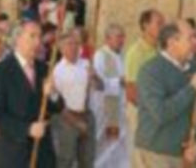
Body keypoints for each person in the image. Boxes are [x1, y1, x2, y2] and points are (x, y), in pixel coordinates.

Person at [0, 21, 64, 168]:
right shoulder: (1, 71)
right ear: (18, 39)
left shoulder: (44, 68)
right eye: (32, 36)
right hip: (14, 154)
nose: (37, 42)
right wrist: (27, 129)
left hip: (42, 153)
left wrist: (53, 93)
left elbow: (58, 107)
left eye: (39, 37)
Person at [134, 20, 196, 167]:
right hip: (157, 154)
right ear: (172, 42)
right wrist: (192, 87)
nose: (195, 43)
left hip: (188, 156)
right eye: (190, 37)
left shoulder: (192, 68)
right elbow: (161, 113)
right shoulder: (151, 71)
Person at [52, 33, 102, 168]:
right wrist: (77, 123)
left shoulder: (86, 64)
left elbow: (100, 87)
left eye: (76, 44)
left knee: (87, 160)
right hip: (68, 118)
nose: (74, 47)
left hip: (87, 115)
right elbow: (56, 104)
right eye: (69, 44)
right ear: (61, 48)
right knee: (66, 160)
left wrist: (95, 77)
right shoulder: (57, 71)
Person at [124, 9, 164, 168]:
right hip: (142, 112)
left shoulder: (159, 51)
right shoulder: (136, 53)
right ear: (145, 25)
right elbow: (131, 89)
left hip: (156, 111)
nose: (162, 27)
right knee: (141, 158)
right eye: (158, 23)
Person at [90, 24, 128, 168]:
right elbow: (98, 83)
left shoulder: (123, 55)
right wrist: (119, 81)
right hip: (105, 109)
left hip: (121, 108)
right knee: (103, 145)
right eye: (118, 36)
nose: (122, 40)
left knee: (119, 146)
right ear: (107, 38)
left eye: (123, 37)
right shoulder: (100, 55)